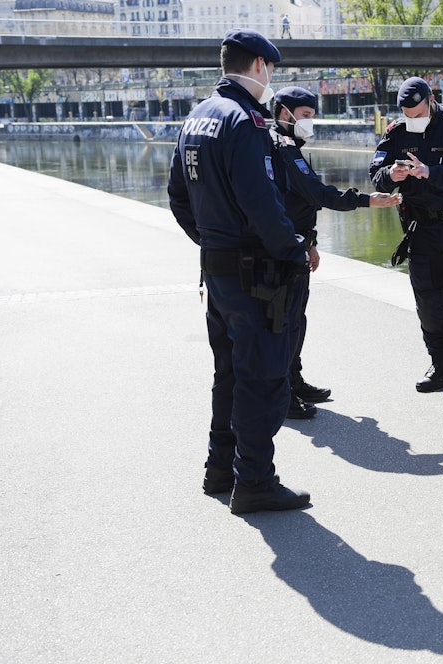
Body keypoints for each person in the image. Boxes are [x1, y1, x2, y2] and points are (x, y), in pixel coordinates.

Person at [167, 28, 310, 515]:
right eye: (271, 69)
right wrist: (293, 250)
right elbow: (262, 203)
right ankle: (254, 481)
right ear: (259, 66)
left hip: (219, 271)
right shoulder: (245, 122)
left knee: (228, 371)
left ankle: (218, 469)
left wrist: (212, 242)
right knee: (263, 378)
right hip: (257, 276)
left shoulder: (196, 117)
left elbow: (178, 198)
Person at [268, 86, 400, 419]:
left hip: (297, 246)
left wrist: (311, 244)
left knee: (296, 320)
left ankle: (293, 381)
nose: (310, 123)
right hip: (283, 252)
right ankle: (281, 394)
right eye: (306, 116)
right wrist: (366, 199)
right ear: (286, 113)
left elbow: (300, 201)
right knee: (285, 323)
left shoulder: (289, 146)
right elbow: (317, 193)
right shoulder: (282, 149)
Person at [369, 76, 443, 393]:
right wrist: (390, 175)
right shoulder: (395, 132)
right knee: (430, 302)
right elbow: (375, 174)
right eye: (409, 115)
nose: (414, 120)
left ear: (431, 100)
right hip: (421, 231)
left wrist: (431, 172)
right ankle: (442, 367)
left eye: (418, 113)